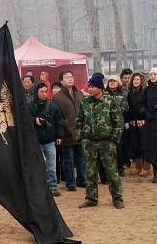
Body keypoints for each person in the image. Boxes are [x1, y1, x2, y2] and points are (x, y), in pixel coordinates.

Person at [76, 74, 125, 209]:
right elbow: (78, 121)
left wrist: (114, 139)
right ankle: (91, 198)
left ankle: (117, 198)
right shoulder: (85, 103)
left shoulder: (110, 101)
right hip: (89, 143)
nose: (89, 89)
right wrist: (82, 138)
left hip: (107, 143)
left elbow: (119, 121)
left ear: (100, 88)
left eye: (92, 87)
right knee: (90, 172)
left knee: (111, 172)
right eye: (89, 86)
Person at [53, 70, 86, 191]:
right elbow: (58, 117)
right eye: (67, 77)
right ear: (61, 81)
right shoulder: (57, 97)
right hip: (66, 133)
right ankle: (70, 182)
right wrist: (64, 127)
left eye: (72, 77)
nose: (70, 79)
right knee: (68, 160)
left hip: (80, 131)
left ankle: (82, 180)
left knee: (81, 158)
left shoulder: (79, 94)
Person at [29, 82, 64, 196]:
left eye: (45, 91)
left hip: (50, 140)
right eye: (41, 92)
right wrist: (34, 120)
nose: (44, 94)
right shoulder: (30, 105)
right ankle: (39, 187)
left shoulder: (53, 105)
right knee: (39, 165)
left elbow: (59, 121)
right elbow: (24, 119)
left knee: (52, 165)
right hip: (36, 140)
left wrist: (59, 136)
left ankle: (53, 186)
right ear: (36, 92)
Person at [126, 72, 150, 176]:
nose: (136, 81)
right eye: (134, 80)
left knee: (144, 145)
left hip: (143, 122)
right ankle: (138, 167)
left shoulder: (145, 91)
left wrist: (146, 117)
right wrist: (127, 120)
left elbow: (147, 106)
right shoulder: (130, 92)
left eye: (138, 80)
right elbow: (128, 108)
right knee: (135, 144)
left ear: (141, 81)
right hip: (133, 122)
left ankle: (147, 168)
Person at [106, 75, 129, 175]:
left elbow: (125, 108)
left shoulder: (123, 94)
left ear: (118, 83)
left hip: (119, 125)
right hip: (106, 125)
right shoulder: (103, 94)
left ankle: (120, 168)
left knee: (119, 147)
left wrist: (113, 111)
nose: (112, 83)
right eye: (110, 81)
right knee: (108, 148)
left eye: (114, 81)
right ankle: (110, 169)